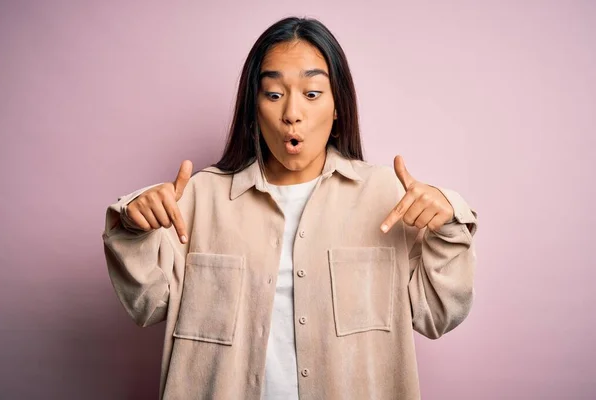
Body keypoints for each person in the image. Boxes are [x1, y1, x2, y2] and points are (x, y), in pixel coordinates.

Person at [102, 16, 478, 400]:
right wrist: (135, 226)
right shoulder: (200, 198)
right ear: (253, 109)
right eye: (274, 94)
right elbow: (147, 304)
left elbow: (438, 314)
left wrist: (449, 222)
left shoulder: (388, 197)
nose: (291, 114)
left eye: (312, 93)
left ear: (338, 109)